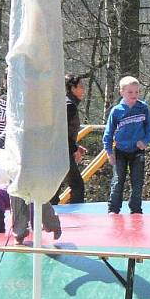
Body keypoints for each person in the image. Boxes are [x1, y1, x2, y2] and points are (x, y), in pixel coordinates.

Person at [103, 76, 150, 215]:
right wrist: (109, 151)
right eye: (130, 92)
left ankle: (136, 208)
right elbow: (108, 132)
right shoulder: (116, 111)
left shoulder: (143, 108)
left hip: (137, 151)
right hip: (120, 150)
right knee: (118, 180)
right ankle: (113, 208)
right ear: (122, 93)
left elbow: (149, 128)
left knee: (137, 181)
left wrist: (145, 141)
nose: (134, 95)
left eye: (137, 92)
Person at [51, 74, 87, 205]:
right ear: (72, 88)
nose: (83, 89)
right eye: (81, 86)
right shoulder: (69, 106)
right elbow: (61, 132)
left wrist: (76, 146)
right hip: (62, 152)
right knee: (77, 186)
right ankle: (73, 218)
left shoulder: (65, 103)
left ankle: (51, 215)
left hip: (60, 150)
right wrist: (74, 149)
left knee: (54, 188)